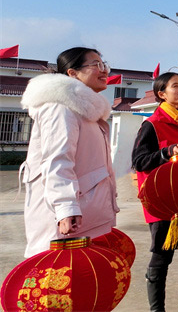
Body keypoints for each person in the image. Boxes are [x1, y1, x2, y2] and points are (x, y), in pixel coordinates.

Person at [18, 47, 119, 257]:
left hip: (85, 217)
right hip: (65, 220)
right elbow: (57, 160)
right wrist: (66, 207)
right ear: (72, 73)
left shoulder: (88, 112)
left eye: (104, 65)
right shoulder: (60, 107)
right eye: (96, 65)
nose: (104, 71)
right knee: (56, 281)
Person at [131, 72, 178, 312]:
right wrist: (167, 152)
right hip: (164, 201)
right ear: (162, 94)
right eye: (176, 86)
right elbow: (139, 161)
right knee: (163, 257)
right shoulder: (152, 124)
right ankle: (157, 310)